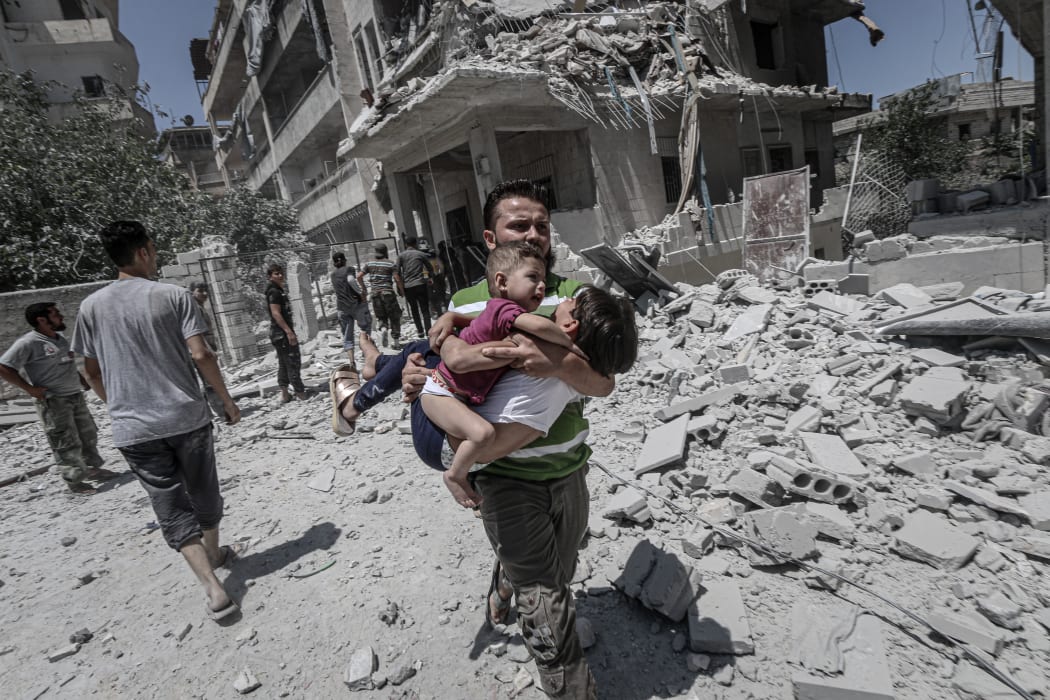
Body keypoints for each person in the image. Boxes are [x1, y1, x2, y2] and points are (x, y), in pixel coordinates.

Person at [365, 180, 621, 698]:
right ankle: (571, 688)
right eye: (519, 226)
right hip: (503, 475)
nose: (535, 235)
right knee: (545, 599)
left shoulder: (571, 297)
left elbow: (604, 383)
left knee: (562, 571)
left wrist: (556, 360)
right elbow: (440, 375)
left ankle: (505, 577)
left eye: (542, 226)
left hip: (567, 467)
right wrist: (416, 380)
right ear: (491, 237)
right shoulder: (464, 303)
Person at [71, 220, 242, 621]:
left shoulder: (90, 307)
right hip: (185, 418)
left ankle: (213, 589)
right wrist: (227, 400)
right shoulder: (173, 296)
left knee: (169, 504)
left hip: (134, 429)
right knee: (203, 491)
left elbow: (90, 371)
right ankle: (215, 551)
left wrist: (121, 405)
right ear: (144, 251)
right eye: (154, 247)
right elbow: (201, 355)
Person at [0, 302, 111, 494]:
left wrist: (81, 381)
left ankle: (91, 469)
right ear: (41, 320)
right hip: (53, 400)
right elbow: (4, 367)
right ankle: (75, 482)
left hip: (74, 395)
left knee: (87, 434)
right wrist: (29, 389)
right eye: (56, 314)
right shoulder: (28, 342)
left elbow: (65, 362)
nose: (61, 316)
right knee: (65, 440)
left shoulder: (59, 339)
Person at [265, 263, 307, 403]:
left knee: (284, 363)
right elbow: (276, 314)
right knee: (293, 361)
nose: (280, 275)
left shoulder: (276, 290)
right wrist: (289, 332)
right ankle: (300, 393)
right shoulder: (275, 292)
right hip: (281, 333)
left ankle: (284, 393)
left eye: (281, 272)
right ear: (270, 276)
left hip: (278, 333)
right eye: (276, 273)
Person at [188, 282, 226, 419]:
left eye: (206, 291)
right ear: (192, 292)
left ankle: (210, 412)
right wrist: (209, 350)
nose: (204, 294)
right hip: (202, 350)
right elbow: (198, 333)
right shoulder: (194, 309)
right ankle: (222, 412)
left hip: (204, 348)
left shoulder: (199, 307)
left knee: (208, 381)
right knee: (210, 381)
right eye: (200, 291)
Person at [330, 251, 372, 370]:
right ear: (344, 260)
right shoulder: (349, 269)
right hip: (356, 304)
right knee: (365, 327)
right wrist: (360, 292)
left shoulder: (332, 275)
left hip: (342, 307)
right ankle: (367, 354)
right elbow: (350, 280)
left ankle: (352, 361)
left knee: (347, 335)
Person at [358, 243, 402, 348]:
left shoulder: (369, 264)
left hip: (375, 294)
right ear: (385, 252)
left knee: (381, 316)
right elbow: (397, 279)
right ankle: (396, 343)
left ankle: (383, 329)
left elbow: (359, 276)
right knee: (394, 317)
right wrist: (401, 291)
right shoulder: (391, 264)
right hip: (388, 293)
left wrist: (364, 288)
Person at [396, 236, 435, 339]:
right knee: (425, 309)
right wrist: (430, 278)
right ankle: (428, 332)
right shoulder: (421, 254)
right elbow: (430, 268)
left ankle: (420, 332)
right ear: (415, 244)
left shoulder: (401, 256)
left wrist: (399, 287)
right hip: (421, 284)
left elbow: (397, 273)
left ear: (406, 245)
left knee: (414, 310)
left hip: (408, 287)